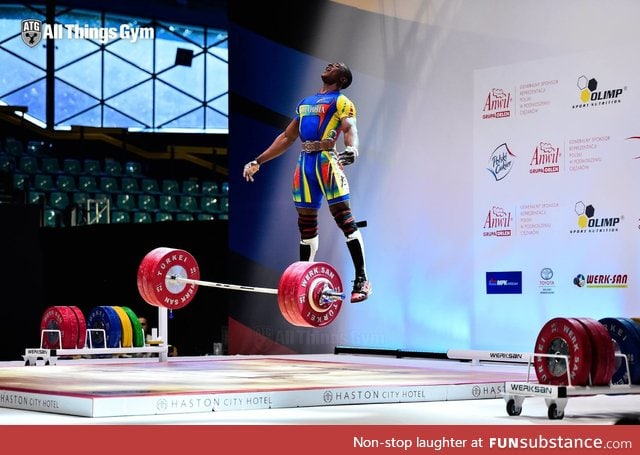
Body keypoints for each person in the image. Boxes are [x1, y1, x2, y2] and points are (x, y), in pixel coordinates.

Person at [243, 62, 371, 303]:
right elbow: (286, 137)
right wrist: (258, 161)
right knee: (306, 226)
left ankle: (361, 279)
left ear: (342, 79)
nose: (331, 65)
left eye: (338, 67)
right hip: (305, 165)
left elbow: (349, 127)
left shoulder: (342, 102)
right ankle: (304, 280)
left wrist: (353, 148)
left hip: (327, 162)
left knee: (345, 219)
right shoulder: (304, 103)